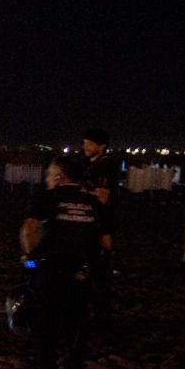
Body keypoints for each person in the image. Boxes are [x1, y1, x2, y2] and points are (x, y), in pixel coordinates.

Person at [20, 153, 109, 369]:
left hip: (50, 271)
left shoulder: (47, 197)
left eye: (49, 174)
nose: (47, 179)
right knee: (76, 329)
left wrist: (29, 258)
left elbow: (30, 228)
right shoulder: (93, 203)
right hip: (81, 274)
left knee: (44, 330)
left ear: (59, 176)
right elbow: (105, 241)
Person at [81, 127, 118, 332]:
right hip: (97, 226)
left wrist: (79, 190)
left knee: (100, 270)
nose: (85, 147)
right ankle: (98, 313)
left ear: (101, 146)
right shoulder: (94, 165)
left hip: (101, 226)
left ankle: (102, 317)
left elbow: (103, 197)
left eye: (89, 143)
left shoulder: (105, 165)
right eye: (84, 142)